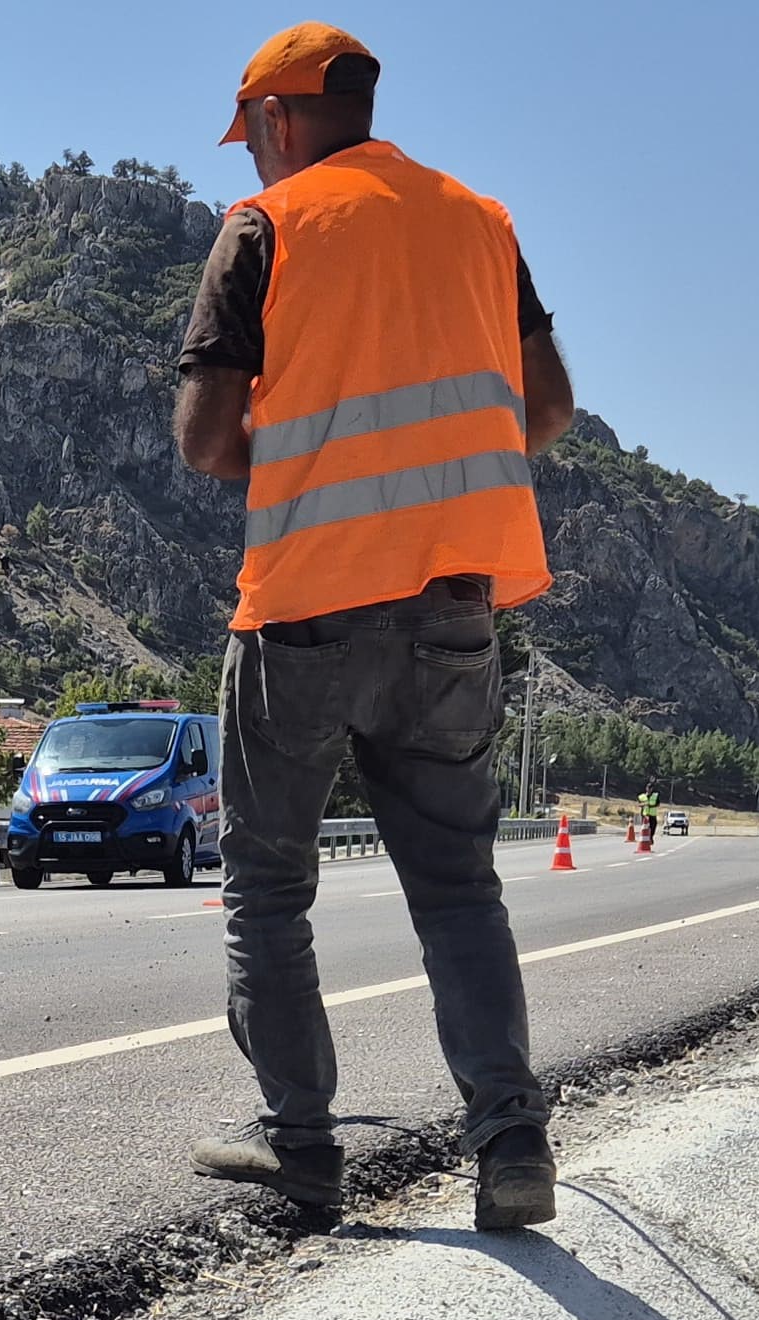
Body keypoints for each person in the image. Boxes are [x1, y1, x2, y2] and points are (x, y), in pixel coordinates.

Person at [171, 22, 573, 1232]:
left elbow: (202, 441)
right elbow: (546, 406)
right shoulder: (480, 223)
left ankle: (300, 1149)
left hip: (303, 606)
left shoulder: (270, 228)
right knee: (457, 890)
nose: (250, 160)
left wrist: (306, 466)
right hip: (452, 612)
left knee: (267, 892)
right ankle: (509, 1139)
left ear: (280, 120)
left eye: (250, 137)